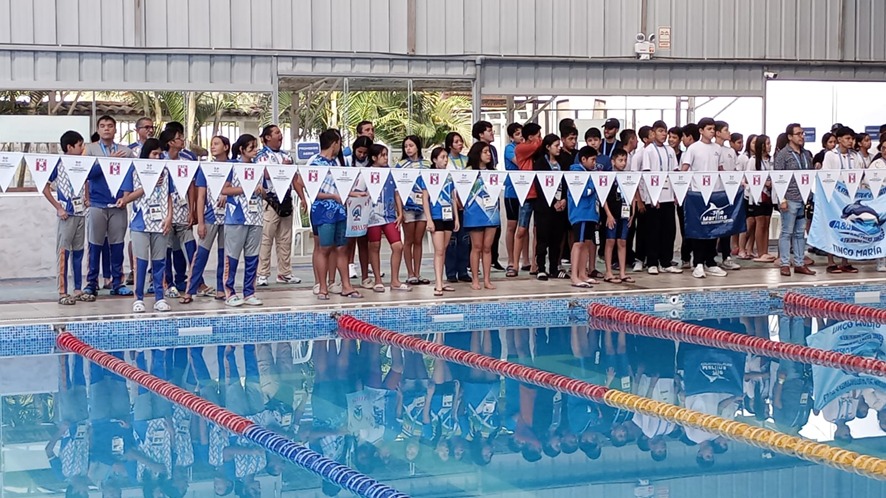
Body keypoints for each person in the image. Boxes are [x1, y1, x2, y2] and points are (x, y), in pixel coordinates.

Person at [117, 138, 172, 313]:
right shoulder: (134, 169)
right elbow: (126, 198)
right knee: (140, 262)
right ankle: (138, 298)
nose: (157, 157)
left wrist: (169, 217)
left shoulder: (166, 171)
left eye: (160, 154)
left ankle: (159, 297)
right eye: (154, 154)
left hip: (160, 222)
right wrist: (148, 185)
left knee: (159, 262)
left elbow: (169, 196)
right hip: (140, 222)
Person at [83, 115, 135, 297]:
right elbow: (86, 174)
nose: (106, 129)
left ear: (115, 129)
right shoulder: (89, 149)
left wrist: (126, 198)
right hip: (97, 203)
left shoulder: (125, 151)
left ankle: (117, 282)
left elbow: (133, 175)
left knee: (117, 244)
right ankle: (91, 283)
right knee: (95, 244)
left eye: (110, 126)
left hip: (118, 204)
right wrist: (108, 161)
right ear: (98, 129)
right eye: (103, 126)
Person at [44, 131, 96, 305]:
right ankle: (62, 291)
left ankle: (78, 289)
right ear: (69, 147)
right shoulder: (58, 163)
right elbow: (45, 187)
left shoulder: (81, 164)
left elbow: (86, 181)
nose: (82, 149)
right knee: (63, 253)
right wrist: (58, 207)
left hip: (80, 213)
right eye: (80, 145)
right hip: (66, 214)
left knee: (78, 252)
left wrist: (86, 198)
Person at [310, 129, 363, 300]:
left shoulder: (337, 164)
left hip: (340, 211)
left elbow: (341, 189)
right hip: (323, 211)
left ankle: (346, 286)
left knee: (342, 248)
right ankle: (322, 287)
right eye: (339, 143)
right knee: (324, 248)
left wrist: (354, 194)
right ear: (334, 143)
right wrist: (333, 197)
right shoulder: (315, 164)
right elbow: (312, 191)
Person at [182, 136, 230, 304]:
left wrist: (227, 194)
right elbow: (200, 197)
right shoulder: (206, 168)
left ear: (226, 147)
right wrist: (200, 222)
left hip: (229, 218)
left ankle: (221, 289)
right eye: (211, 144)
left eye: (216, 144)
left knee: (225, 255)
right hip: (210, 217)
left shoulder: (234, 166)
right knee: (201, 254)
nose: (212, 147)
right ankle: (190, 290)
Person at [255, 124, 302, 287]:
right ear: (268, 137)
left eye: (280, 132)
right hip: (269, 200)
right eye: (276, 132)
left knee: (285, 239)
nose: (280, 135)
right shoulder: (261, 156)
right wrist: (284, 168)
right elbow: (265, 174)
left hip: (286, 200)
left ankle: (284, 273)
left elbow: (295, 178)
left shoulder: (286, 155)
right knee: (266, 239)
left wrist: (302, 198)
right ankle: (262, 274)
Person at [221, 134, 265, 307]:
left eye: (256, 147)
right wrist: (247, 188)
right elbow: (225, 190)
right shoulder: (232, 166)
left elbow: (264, 191)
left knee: (252, 257)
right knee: (232, 257)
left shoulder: (258, 168)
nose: (255, 150)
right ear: (241, 149)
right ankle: (229, 292)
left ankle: (249, 292)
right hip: (236, 217)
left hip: (256, 217)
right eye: (251, 147)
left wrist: (261, 191)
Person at [681, 118, 727, 278]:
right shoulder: (693, 148)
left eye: (713, 129)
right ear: (701, 130)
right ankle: (698, 263)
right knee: (698, 228)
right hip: (697, 193)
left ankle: (710, 262)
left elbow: (721, 169)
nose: (712, 131)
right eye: (709, 129)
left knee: (712, 228)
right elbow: (685, 168)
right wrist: (681, 190)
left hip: (715, 193)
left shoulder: (717, 148)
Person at [773, 123, 816, 277]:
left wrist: (809, 195)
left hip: (803, 198)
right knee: (786, 232)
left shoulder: (806, 154)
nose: (802, 136)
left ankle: (799, 263)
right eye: (798, 134)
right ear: (790, 137)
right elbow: (778, 178)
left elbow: (809, 176)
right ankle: (785, 263)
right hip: (789, 198)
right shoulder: (783, 154)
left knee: (799, 233)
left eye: (803, 133)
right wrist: (782, 199)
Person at [640, 120, 682, 275]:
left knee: (669, 231)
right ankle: (652, 262)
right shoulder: (649, 150)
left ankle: (666, 262)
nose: (663, 134)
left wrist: (677, 193)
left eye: (665, 131)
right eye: (660, 131)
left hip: (668, 196)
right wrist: (653, 196)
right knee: (653, 231)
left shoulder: (670, 150)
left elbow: (675, 173)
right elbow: (647, 174)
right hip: (654, 198)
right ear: (653, 133)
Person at [365, 144, 408, 292]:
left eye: (386, 155)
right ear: (374, 158)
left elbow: (397, 192)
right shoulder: (366, 172)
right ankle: (378, 280)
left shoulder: (391, 172)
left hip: (389, 215)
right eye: (382, 155)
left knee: (398, 246)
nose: (385, 158)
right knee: (374, 246)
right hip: (372, 216)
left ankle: (395, 280)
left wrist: (400, 212)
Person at [158, 128, 196, 298]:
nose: (182, 140)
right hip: (164, 210)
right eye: (179, 137)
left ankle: (191, 280)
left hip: (183, 209)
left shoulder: (186, 160)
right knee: (166, 248)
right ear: (170, 142)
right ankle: (168, 283)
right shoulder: (159, 160)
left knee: (189, 245)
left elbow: (191, 186)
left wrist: (192, 210)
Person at [821, 126, 862, 274]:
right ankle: (831, 261)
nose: (851, 141)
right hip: (834, 197)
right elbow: (826, 176)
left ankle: (845, 261)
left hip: (849, 197)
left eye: (852, 138)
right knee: (832, 228)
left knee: (848, 228)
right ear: (839, 139)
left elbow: (859, 175)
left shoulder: (855, 156)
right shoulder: (830, 155)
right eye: (847, 138)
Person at [463, 142, 500, 291]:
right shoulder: (468, 172)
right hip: (474, 212)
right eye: (485, 152)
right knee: (476, 247)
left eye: (489, 152)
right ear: (477, 154)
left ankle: (487, 280)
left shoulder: (493, 172)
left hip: (491, 212)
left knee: (487, 247)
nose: (488, 154)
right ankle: (475, 279)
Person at [532, 134, 568, 281]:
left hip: (560, 206)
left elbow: (567, 182)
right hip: (544, 206)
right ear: (547, 147)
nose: (559, 148)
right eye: (556, 145)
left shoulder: (563, 162)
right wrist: (553, 201)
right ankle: (541, 268)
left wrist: (564, 199)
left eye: (560, 145)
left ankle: (554, 268)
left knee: (556, 239)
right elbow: (540, 186)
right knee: (543, 238)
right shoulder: (540, 163)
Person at [397, 135, 431, 286]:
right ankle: (410, 273)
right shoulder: (400, 165)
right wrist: (399, 210)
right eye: (406, 146)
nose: (408, 149)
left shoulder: (427, 164)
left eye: (411, 145)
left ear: (417, 146)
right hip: (408, 207)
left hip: (423, 207)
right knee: (408, 240)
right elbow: (397, 190)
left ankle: (417, 273)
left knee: (419, 241)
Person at [425, 147, 459, 296]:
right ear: (434, 160)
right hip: (436, 215)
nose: (445, 160)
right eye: (442, 157)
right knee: (438, 250)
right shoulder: (428, 176)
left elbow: (453, 198)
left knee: (443, 249)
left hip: (448, 216)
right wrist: (429, 219)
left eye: (446, 157)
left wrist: (456, 218)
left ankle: (441, 280)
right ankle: (438, 282)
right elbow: (425, 199)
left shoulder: (449, 176)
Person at [512, 123, 543, 278]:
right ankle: (514, 265)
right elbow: (537, 145)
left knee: (537, 230)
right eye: (538, 134)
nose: (540, 137)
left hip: (540, 193)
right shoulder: (521, 148)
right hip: (526, 194)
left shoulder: (536, 149)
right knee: (521, 230)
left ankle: (534, 264)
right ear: (530, 137)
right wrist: (540, 140)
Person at [472, 121, 505, 271]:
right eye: (489, 131)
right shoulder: (474, 156)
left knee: (494, 233)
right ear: (480, 134)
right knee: (477, 242)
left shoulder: (494, 150)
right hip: (477, 202)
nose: (492, 133)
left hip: (492, 197)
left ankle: (493, 259)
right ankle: (473, 266)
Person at [567, 146, 601, 288]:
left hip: (590, 213)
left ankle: (582, 273)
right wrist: (594, 187)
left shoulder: (590, 173)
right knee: (578, 243)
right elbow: (583, 191)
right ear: (583, 159)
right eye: (592, 160)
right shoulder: (576, 174)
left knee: (587, 243)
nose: (594, 163)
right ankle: (574, 275)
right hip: (580, 213)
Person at [713, 121, 741, 271]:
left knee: (726, 225)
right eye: (726, 130)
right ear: (718, 133)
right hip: (714, 192)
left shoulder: (730, 151)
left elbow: (735, 171)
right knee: (712, 225)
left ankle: (726, 256)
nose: (728, 132)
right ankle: (710, 258)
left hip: (728, 192)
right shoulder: (712, 149)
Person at [603, 149, 634, 284]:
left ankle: (622, 272)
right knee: (610, 241)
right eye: (620, 160)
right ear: (613, 161)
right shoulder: (608, 177)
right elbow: (603, 197)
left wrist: (632, 213)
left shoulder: (628, 177)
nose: (623, 163)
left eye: (625, 160)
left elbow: (632, 195)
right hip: (612, 213)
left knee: (622, 242)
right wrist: (608, 214)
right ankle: (608, 272)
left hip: (625, 213)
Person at [445, 132, 471, 283]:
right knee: (451, 240)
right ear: (450, 145)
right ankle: (450, 273)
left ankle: (463, 271)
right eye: (456, 142)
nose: (460, 144)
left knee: (464, 239)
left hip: (465, 204)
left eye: (460, 141)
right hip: (450, 205)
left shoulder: (466, 160)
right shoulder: (445, 160)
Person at [503, 123, 528, 277]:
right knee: (512, 226)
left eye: (522, 133)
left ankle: (526, 259)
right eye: (518, 134)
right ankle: (511, 260)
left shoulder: (525, 147)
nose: (521, 136)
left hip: (526, 190)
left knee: (524, 226)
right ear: (511, 137)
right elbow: (521, 163)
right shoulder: (509, 148)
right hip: (512, 192)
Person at [677, 124, 699, 268]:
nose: (682, 140)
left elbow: (682, 173)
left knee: (691, 227)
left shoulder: (691, 152)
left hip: (692, 194)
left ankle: (694, 257)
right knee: (686, 227)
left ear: (690, 137)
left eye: (683, 137)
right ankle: (686, 257)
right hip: (686, 195)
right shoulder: (686, 153)